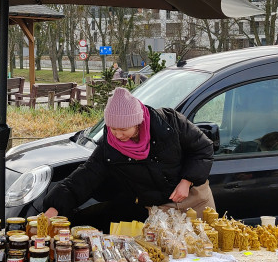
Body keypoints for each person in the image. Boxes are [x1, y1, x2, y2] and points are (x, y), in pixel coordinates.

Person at [42, 86, 215, 224]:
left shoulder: (170, 122)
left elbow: (203, 149)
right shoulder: (109, 147)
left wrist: (187, 181)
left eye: (124, 129)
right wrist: (55, 206)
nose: (118, 135)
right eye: (113, 129)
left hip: (195, 198)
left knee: (208, 252)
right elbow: (85, 177)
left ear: (138, 122)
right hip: (161, 208)